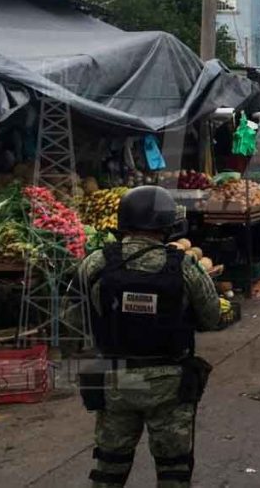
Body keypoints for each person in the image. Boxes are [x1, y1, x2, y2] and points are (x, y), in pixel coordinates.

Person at [77, 186, 221, 488]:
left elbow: (74, 318)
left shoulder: (97, 263)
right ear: (167, 224)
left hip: (116, 381)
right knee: (173, 470)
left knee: (109, 468)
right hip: (169, 384)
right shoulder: (184, 266)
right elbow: (211, 317)